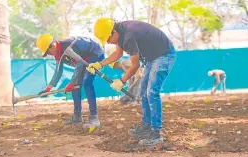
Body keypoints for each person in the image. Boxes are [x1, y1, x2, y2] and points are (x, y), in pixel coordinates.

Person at [86, 18, 176, 146]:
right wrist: (100, 64)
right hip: (152, 58)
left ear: (114, 32)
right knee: (143, 92)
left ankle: (156, 134)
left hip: (164, 55)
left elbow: (135, 65)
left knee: (151, 92)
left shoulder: (128, 36)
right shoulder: (121, 31)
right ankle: (146, 127)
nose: (107, 42)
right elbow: (117, 54)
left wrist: (122, 81)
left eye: (107, 39)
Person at [36, 34, 104, 127]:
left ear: (53, 45)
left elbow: (80, 64)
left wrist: (72, 83)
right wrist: (48, 89)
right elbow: (58, 71)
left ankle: (94, 118)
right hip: (83, 59)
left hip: (95, 54)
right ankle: (77, 117)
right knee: (75, 86)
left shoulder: (69, 47)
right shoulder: (58, 53)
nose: (49, 55)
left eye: (48, 52)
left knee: (87, 83)